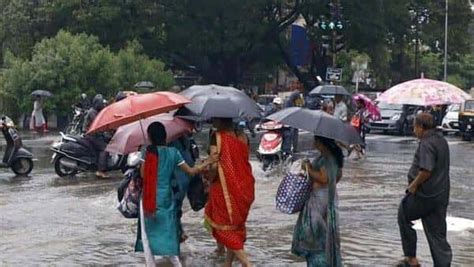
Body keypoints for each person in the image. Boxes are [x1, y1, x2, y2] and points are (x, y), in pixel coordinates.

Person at [136, 122, 217, 267]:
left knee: (147, 234)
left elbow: (143, 175)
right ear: (165, 136)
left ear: (149, 136)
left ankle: (151, 264)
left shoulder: (147, 152)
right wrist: (208, 162)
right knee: (168, 231)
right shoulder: (174, 152)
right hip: (166, 198)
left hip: (149, 197)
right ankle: (176, 262)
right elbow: (191, 171)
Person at [397, 113, 452, 267]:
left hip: (424, 195)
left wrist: (413, 185)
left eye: (414, 127)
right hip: (441, 195)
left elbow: (426, 170)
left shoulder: (427, 143)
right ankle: (443, 264)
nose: (414, 130)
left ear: (421, 127)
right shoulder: (441, 141)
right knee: (437, 233)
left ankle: (411, 258)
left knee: (403, 213)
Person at [204, 117, 255, 267]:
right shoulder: (243, 136)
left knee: (223, 229)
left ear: (220, 120)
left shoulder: (217, 137)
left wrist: (208, 175)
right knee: (235, 227)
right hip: (245, 186)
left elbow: (214, 165)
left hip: (224, 188)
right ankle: (227, 264)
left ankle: (247, 263)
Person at [293, 136, 343, 266]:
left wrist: (308, 168)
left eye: (315, 140)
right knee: (322, 236)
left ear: (321, 143)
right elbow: (336, 177)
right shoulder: (333, 159)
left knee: (316, 238)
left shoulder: (327, 159)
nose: (313, 142)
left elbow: (323, 178)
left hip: (319, 203)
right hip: (328, 199)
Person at [168, 134, 197, 243]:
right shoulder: (181, 141)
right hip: (180, 179)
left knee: (173, 208)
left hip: (177, 180)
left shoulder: (175, 146)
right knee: (175, 208)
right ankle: (178, 233)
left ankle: (177, 234)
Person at [82, 94, 109, 178]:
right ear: (97, 103)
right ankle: (100, 171)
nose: (102, 105)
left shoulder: (95, 111)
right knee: (104, 149)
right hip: (91, 135)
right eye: (101, 103)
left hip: (93, 134)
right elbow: (98, 125)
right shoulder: (92, 112)